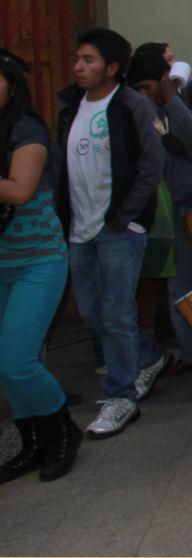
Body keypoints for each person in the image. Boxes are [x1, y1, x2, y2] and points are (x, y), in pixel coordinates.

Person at [54, 28, 169, 438]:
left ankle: (122, 397)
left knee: (118, 313)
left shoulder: (130, 107)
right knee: (92, 311)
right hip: (79, 229)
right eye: (79, 59)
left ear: (113, 67)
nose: (79, 67)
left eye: (89, 60)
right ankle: (150, 356)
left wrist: (124, 217)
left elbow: (151, 166)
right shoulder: (70, 108)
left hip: (119, 228)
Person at [0, 49, 82, 483]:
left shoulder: (26, 129)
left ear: (11, 84)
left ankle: (64, 430)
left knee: (16, 361)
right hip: (2, 263)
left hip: (38, 261)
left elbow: (18, 190)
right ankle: (33, 442)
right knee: (6, 361)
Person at [127, 49, 192, 376]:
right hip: (175, 201)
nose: (143, 96)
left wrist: (171, 98)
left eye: (147, 88)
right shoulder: (150, 109)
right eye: (137, 91)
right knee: (181, 284)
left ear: (162, 80)